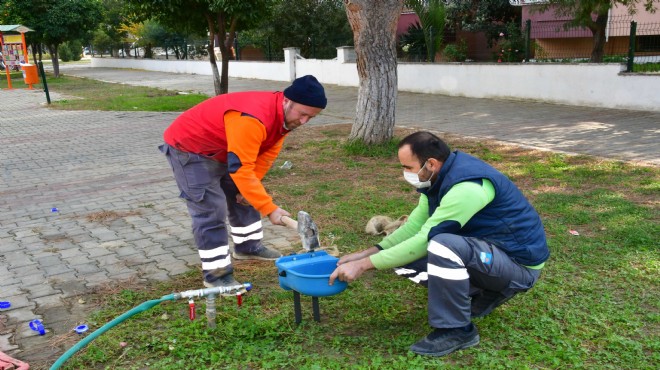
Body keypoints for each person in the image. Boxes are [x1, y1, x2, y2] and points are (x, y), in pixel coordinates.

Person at [329, 131, 549, 357]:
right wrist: (368, 253)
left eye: (407, 167)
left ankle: (457, 330)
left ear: (431, 163)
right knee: (400, 258)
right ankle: (477, 295)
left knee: (441, 244)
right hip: (488, 254)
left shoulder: (467, 187)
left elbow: (425, 240)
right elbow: (414, 227)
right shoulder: (436, 179)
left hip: (517, 266)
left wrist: (363, 265)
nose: (404, 173)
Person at [160, 75, 327, 289]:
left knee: (247, 196)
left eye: (311, 118)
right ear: (287, 101)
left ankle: (248, 247)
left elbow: (266, 154)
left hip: (226, 148)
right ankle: (217, 274)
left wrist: (251, 191)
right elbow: (240, 168)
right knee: (211, 210)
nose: (304, 121)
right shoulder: (252, 117)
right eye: (302, 114)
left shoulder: (283, 117)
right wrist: (270, 208)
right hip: (191, 148)